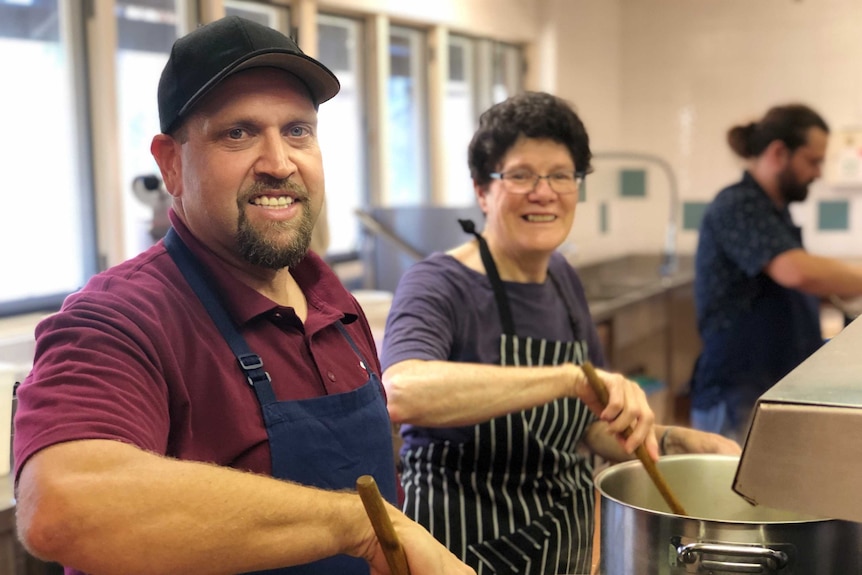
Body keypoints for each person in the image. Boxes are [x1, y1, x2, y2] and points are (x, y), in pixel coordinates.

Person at [13, 16, 474, 575]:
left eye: (298, 131)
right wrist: (360, 524)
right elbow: (62, 506)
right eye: (238, 133)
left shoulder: (334, 304)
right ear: (171, 164)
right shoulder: (118, 318)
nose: (279, 163)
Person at [379, 91, 740, 575]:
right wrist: (568, 377)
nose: (544, 192)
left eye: (560, 176)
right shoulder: (439, 283)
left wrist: (674, 444)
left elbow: (588, 425)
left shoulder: (562, 279)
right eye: (521, 175)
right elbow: (402, 390)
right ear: (483, 190)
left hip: (562, 545)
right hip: (459, 551)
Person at [691, 103, 862, 442]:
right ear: (779, 152)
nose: (817, 173)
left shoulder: (775, 211)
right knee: (732, 495)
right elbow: (796, 271)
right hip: (736, 394)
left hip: (771, 387)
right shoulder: (738, 204)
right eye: (812, 161)